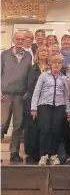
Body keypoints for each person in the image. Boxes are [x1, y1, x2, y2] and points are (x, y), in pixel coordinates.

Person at [31, 54, 70, 166]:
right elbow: (36, 92)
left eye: (59, 62)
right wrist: (33, 108)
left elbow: (66, 95)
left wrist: (67, 110)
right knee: (45, 130)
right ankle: (43, 155)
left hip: (59, 106)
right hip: (44, 105)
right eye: (54, 62)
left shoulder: (64, 78)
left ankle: (53, 155)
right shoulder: (43, 76)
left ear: (61, 65)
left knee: (56, 130)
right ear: (50, 64)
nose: (56, 64)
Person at [1, 31, 32, 162]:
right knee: (2, 124)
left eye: (22, 39)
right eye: (17, 39)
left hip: (20, 95)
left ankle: (14, 152)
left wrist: (27, 90)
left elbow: (29, 75)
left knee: (18, 125)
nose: (20, 41)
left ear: (25, 41)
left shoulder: (28, 56)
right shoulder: (4, 54)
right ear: (13, 40)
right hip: (5, 94)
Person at [24, 45, 50, 164]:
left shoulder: (50, 68)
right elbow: (30, 84)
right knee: (32, 128)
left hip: (46, 102)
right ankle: (30, 153)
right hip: (33, 101)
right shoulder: (33, 67)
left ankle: (42, 153)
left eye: (45, 51)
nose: (43, 53)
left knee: (43, 129)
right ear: (37, 54)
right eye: (41, 51)